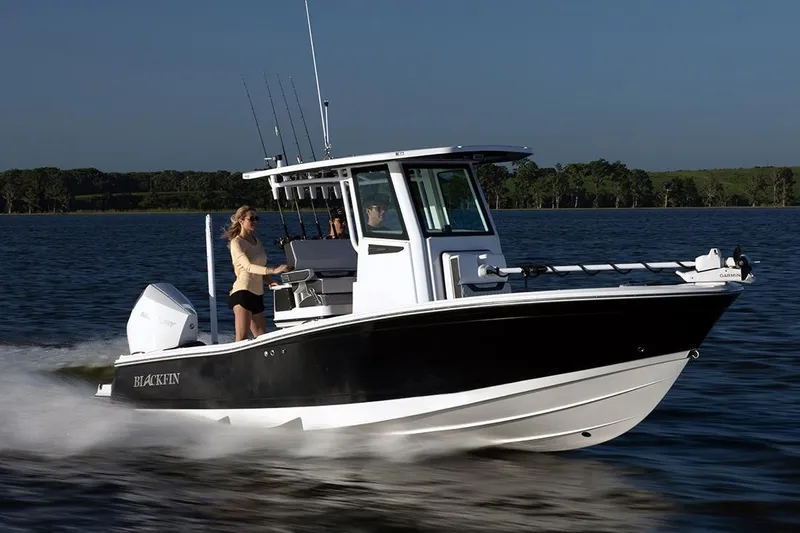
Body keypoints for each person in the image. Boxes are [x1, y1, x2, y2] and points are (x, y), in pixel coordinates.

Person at [222, 205, 288, 341]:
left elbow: (259, 267)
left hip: (258, 294)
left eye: (256, 218)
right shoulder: (236, 243)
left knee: (263, 339)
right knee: (242, 339)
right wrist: (274, 270)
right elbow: (248, 267)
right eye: (251, 219)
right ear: (241, 221)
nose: (255, 222)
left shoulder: (257, 242)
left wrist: (270, 281)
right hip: (243, 293)